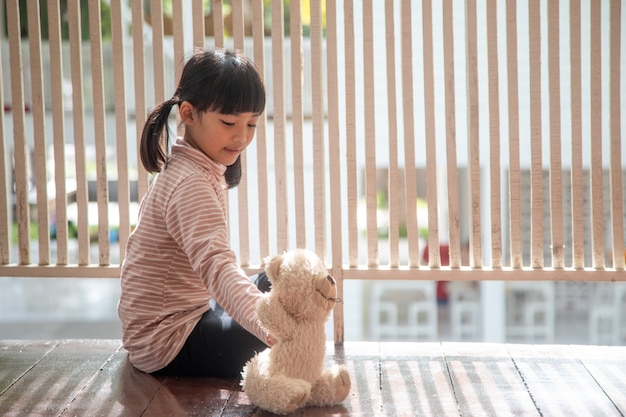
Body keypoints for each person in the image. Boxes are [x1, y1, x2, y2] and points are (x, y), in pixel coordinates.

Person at [118, 49, 272, 377]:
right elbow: (218, 267)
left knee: (281, 280)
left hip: (194, 313)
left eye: (252, 123)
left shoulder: (196, 168)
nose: (242, 136)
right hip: (166, 341)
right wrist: (274, 330)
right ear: (188, 113)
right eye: (229, 122)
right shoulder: (189, 182)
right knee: (280, 325)